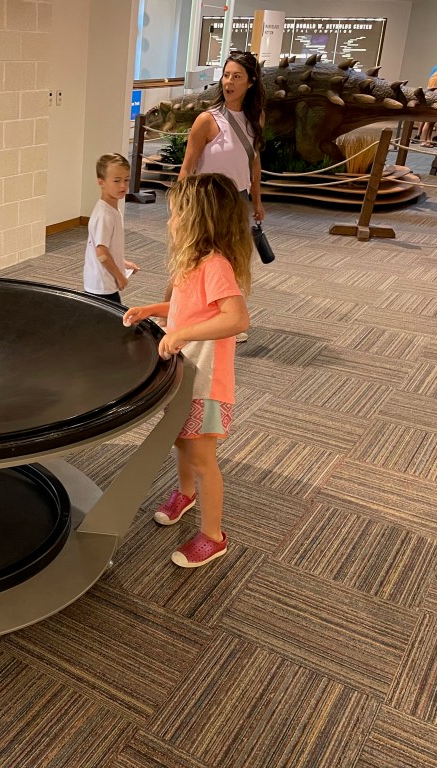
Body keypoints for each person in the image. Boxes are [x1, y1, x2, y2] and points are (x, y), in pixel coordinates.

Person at [122, 174, 252, 568]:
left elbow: (237, 318)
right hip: (184, 376)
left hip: (206, 385)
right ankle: (185, 493)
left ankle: (213, 536)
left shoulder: (215, 266)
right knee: (180, 440)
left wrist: (182, 334)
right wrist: (153, 310)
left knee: (202, 458)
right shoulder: (192, 263)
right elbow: (188, 310)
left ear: (198, 219)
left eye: (176, 213)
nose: (169, 221)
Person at [175, 49, 265, 342]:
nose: (229, 82)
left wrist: (257, 200)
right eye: (226, 75)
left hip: (237, 201)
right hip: (207, 203)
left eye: (237, 77)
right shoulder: (207, 120)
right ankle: (171, 315)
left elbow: (254, 163)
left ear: (250, 82)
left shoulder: (255, 118)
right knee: (195, 261)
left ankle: (224, 319)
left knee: (231, 261)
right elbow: (188, 166)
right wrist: (179, 207)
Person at [83, 153, 139, 304]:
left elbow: (108, 249)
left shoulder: (112, 210)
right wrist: (120, 277)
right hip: (102, 285)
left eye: (126, 180)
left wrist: (123, 263)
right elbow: (101, 253)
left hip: (103, 282)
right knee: (113, 317)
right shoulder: (104, 215)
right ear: (101, 182)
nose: (123, 186)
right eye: (116, 181)